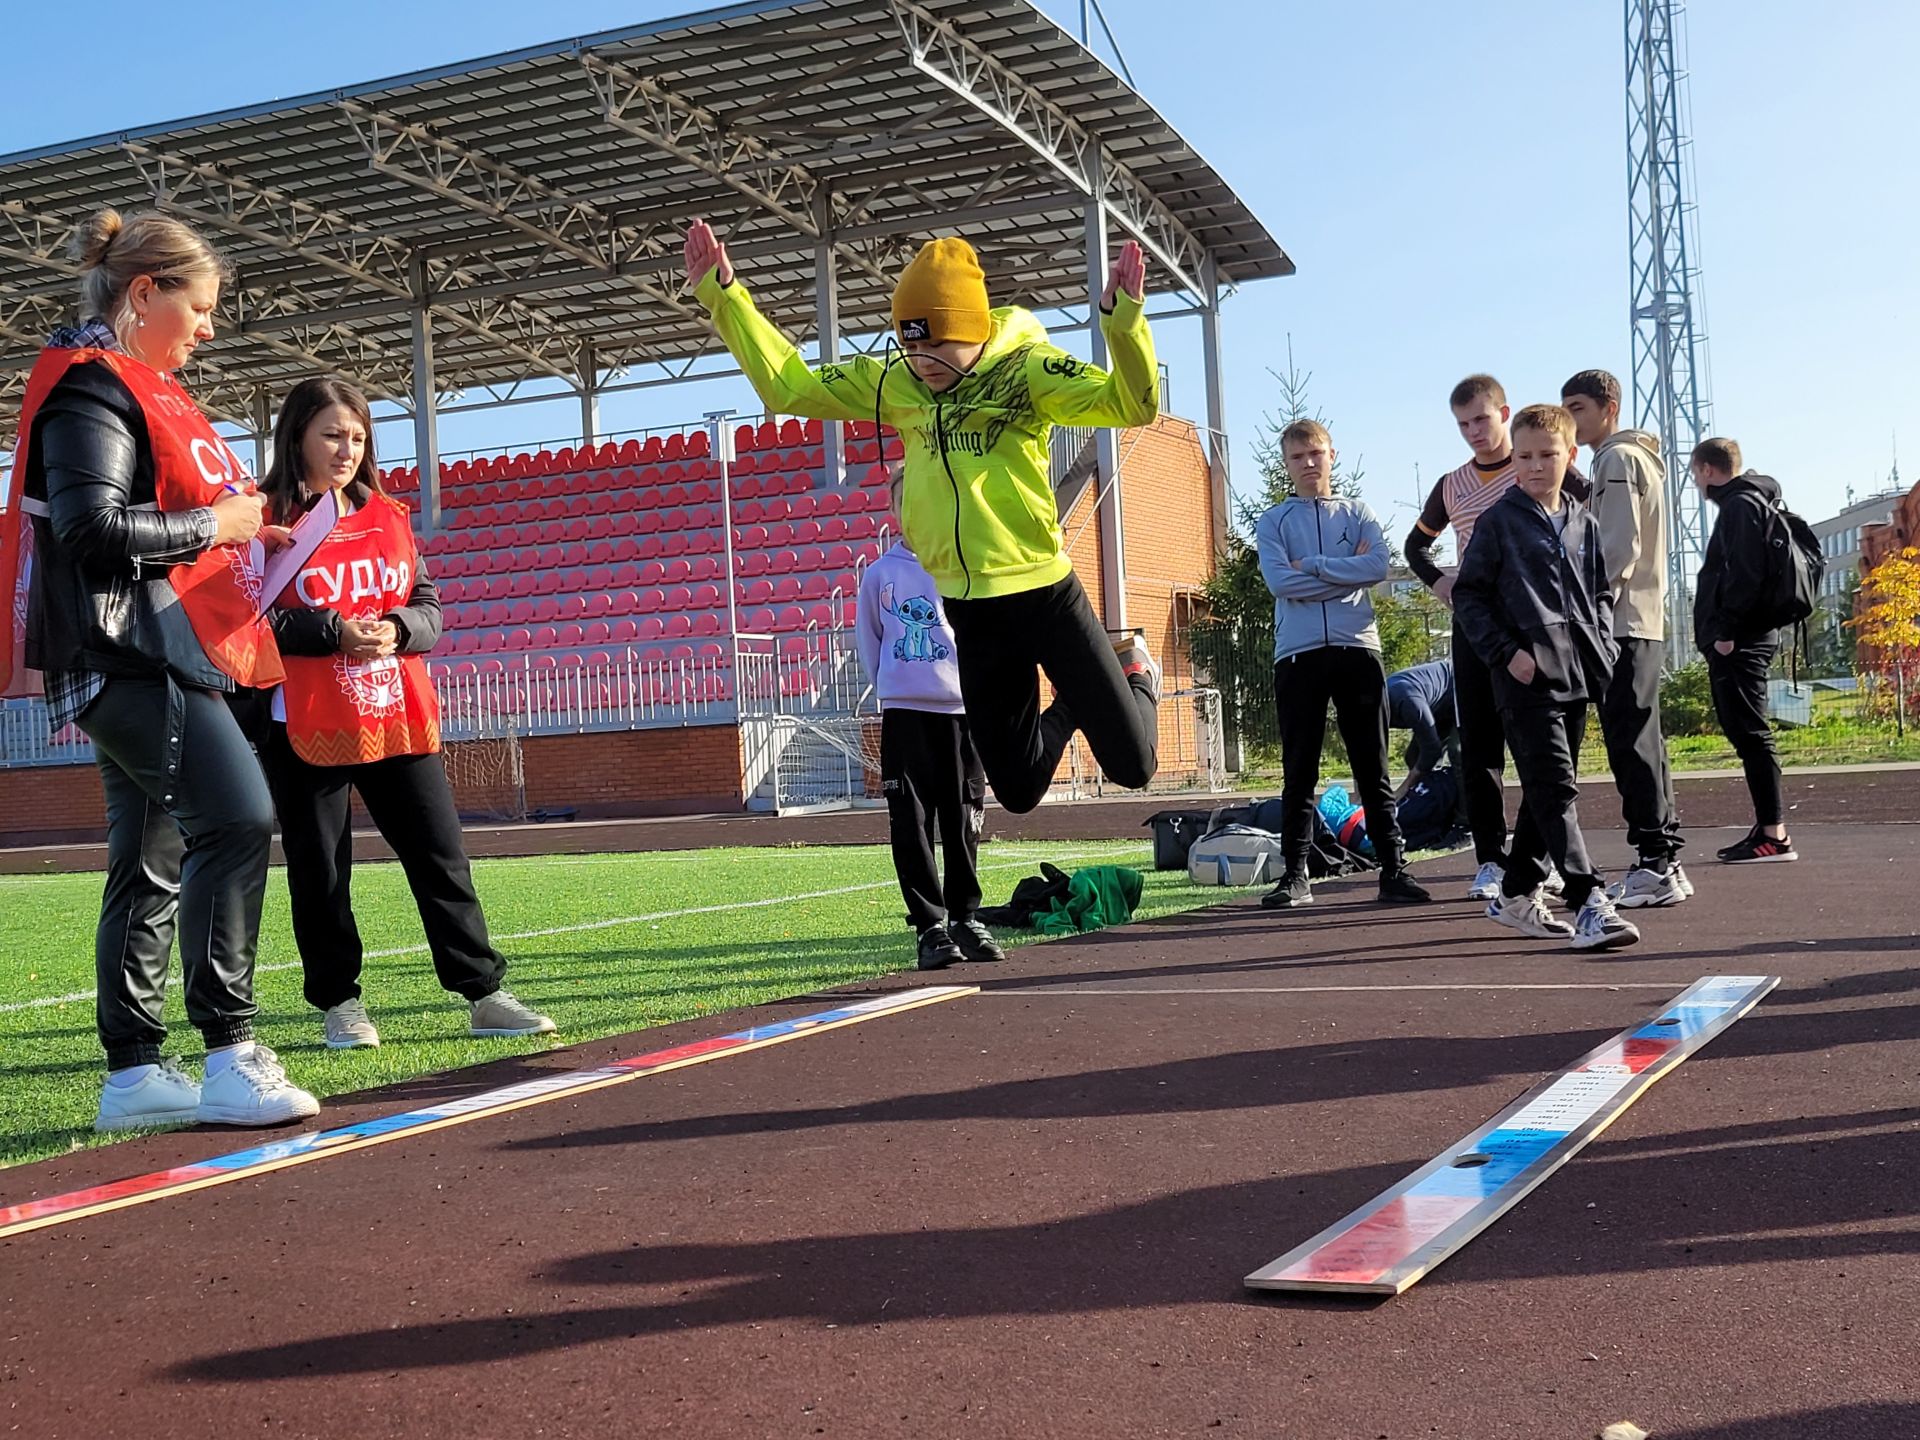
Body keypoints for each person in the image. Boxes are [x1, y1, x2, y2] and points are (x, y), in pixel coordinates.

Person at [3, 210, 318, 1129]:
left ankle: (134, 1075)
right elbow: (90, 531)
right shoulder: (92, 391)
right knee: (237, 816)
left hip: (141, 645)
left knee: (150, 857)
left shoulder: (121, 387)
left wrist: (241, 531)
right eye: (203, 306)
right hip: (127, 649)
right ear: (145, 293)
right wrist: (215, 527)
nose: (212, 327)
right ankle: (230, 1050)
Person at [684, 221, 1161, 814]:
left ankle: (1133, 670)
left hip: (1043, 592)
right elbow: (789, 388)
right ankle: (1071, 702)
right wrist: (726, 297)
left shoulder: (1026, 372)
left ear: (976, 330)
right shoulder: (898, 382)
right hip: (970, 608)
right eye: (910, 345)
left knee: (1134, 765)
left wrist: (1122, 320)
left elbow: (1133, 403)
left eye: (937, 345)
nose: (923, 361)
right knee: (1015, 790)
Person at [256, 377, 555, 1048]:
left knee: (440, 856)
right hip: (302, 719)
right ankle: (340, 1004)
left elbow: (429, 607)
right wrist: (332, 631)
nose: (346, 449)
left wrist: (396, 629)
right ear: (297, 434)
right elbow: (256, 620)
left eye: (357, 437)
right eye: (332, 434)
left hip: (397, 712)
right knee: (322, 870)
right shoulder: (264, 518)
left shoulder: (388, 516)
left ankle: (484, 993)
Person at [1453, 404, 1639, 950]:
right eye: (1524, 456)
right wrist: (1508, 653)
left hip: (1579, 672)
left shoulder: (1583, 520)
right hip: (1525, 679)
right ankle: (1589, 902)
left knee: (1547, 791)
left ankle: (1514, 894)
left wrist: (1602, 646)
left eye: (1546, 455)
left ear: (1570, 454)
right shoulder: (1499, 521)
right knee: (1555, 786)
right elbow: (1469, 595)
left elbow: (1601, 591)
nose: (1534, 466)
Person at [1254, 420, 1431, 909]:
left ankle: (1393, 869)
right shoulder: (1273, 522)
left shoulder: (1358, 512)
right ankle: (1295, 875)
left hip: (1357, 650)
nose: (1309, 463)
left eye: (1316, 453)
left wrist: (1310, 565)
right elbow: (1279, 584)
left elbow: (1377, 567)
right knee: (1299, 767)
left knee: (1371, 765)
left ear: (1332, 455)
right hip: (1298, 655)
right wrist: (1341, 574)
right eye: (1298, 457)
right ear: (1287, 464)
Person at [1405, 375, 1549, 902]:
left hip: (1532, 623)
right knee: (1479, 747)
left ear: (1504, 413)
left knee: (1538, 746)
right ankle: (1490, 858)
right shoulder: (1451, 484)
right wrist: (1443, 583)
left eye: (1481, 420)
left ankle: (1542, 854)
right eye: (1463, 424)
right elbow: (1415, 548)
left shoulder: (1535, 468)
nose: (1473, 432)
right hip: (1474, 628)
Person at [855, 480, 1005, 970]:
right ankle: (930, 929)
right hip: (906, 716)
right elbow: (870, 641)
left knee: (963, 818)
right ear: (894, 509)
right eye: (907, 502)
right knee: (911, 822)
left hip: (963, 715)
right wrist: (893, 686)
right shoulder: (880, 575)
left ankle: (965, 917)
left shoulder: (964, 566)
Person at [1561, 369, 1691, 906]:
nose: (1570, 420)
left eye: (1578, 409)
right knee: (1645, 742)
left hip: (1619, 621)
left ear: (1607, 407)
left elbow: (1618, 547)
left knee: (1630, 743)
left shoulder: (1615, 459)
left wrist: (1587, 606)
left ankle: (1654, 864)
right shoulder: (1633, 460)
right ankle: (1664, 860)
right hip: (1643, 618)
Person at [1690, 437, 1797, 864]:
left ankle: (1774, 834)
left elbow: (1745, 574)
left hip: (1742, 640)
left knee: (1750, 733)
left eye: (1696, 473)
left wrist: (1726, 633)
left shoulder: (1740, 506)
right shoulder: (1751, 502)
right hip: (1748, 636)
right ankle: (1769, 829)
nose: (1696, 481)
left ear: (1708, 470)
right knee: (1747, 732)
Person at [1386, 658, 1460, 801]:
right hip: (1439, 706)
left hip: (1461, 691)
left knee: (1457, 752)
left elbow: (1432, 749)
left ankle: (1465, 818)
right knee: (1414, 757)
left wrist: (1403, 789)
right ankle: (1431, 805)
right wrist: (1360, 800)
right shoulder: (1369, 713)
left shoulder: (1407, 700)